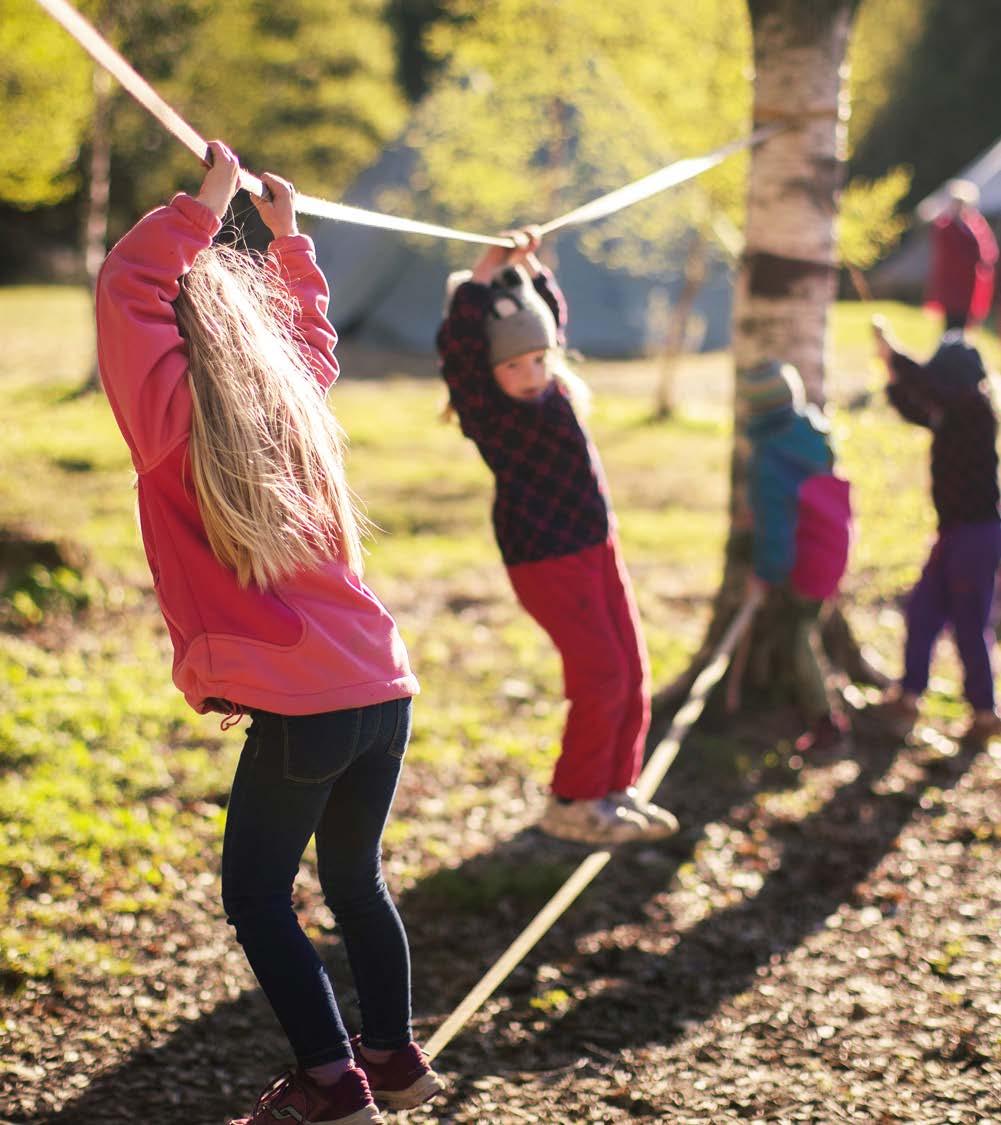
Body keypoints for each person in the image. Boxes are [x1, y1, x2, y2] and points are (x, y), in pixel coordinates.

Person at [96, 141, 443, 1125]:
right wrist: (288, 244)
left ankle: (333, 1085)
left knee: (256, 897)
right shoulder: (288, 410)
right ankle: (394, 1055)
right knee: (353, 879)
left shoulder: (170, 422)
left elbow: (127, 283)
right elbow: (311, 349)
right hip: (382, 687)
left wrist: (203, 209)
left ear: (177, 344)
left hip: (311, 706)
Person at [436, 229, 677, 846]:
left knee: (632, 668)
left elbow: (551, 319)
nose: (529, 374)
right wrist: (483, 275)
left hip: (597, 544)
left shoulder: (555, 387)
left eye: (538, 360)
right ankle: (571, 801)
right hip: (547, 559)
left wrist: (529, 266)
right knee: (601, 675)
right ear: (491, 374)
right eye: (513, 366)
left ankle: (614, 789)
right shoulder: (492, 413)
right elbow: (461, 352)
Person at [873, 318, 1001, 744]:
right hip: (952, 534)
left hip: (977, 536)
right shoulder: (951, 414)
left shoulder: (976, 415)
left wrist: (895, 352)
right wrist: (891, 371)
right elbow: (915, 406)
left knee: (969, 624)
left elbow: (925, 386)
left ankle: (985, 713)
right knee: (923, 611)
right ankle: (909, 696)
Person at [739, 360, 853, 752]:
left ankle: (824, 721)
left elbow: (776, 530)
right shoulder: (815, 432)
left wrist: (766, 573)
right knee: (805, 625)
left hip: (807, 558)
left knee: (797, 634)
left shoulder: (770, 461)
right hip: (835, 544)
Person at [925, 179, 998, 333]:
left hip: (970, 285)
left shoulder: (976, 225)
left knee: (966, 325)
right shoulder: (945, 227)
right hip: (952, 285)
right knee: (952, 325)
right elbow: (949, 256)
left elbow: (989, 251)